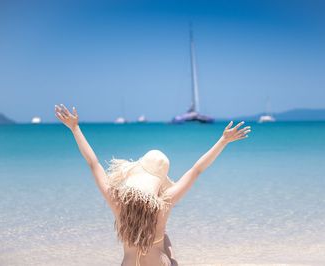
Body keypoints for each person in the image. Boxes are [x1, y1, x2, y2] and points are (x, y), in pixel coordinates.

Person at [54, 104, 251, 266]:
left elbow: (93, 163)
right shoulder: (164, 203)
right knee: (166, 246)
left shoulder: (118, 202)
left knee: (161, 239)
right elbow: (196, 170)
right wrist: (223, 141)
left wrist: (75, 128)